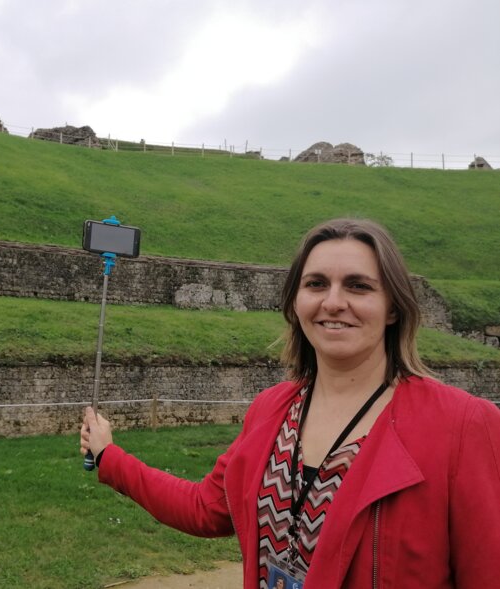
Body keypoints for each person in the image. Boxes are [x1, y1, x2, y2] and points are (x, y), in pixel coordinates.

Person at [80, 218, 500, 588]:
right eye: (316, 284)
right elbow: (205, 509)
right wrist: (109, 457)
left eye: (358, 285)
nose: (333, 302)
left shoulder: (464, 425)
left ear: (393, 307)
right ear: (295, 302)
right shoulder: (271, 409)